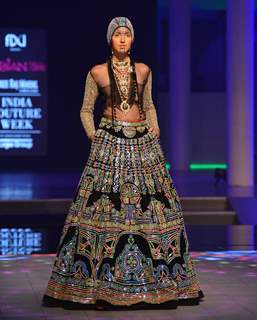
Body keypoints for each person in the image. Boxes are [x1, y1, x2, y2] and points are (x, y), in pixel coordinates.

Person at [42, 16, 204, 310]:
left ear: (132, 39)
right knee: (106, 212)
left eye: (127, 34)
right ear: (110, 39)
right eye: (117, 34)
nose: (122, 39)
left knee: (153, 210)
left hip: (142, 142)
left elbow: (150, 104)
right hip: (110, 144)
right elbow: (85, 110)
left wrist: (155, 128)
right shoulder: (97, 72)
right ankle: (99, 282)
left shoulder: (143, 70)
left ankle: (159, 281)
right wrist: (95, 136)